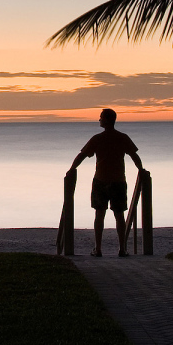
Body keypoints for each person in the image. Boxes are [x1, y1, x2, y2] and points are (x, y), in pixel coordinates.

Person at [67, 108, 142, 257]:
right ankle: (122, 248)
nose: (99, 120)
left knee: (100, 214)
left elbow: (81, 155)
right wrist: (141, 169)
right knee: (119, 215)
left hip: (101, 181)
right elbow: (134, 156)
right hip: (118, 181)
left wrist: (72, 168)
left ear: (107, 120)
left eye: (101, 117)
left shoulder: (98, 139)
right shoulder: (122, 137)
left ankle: (99, 248)